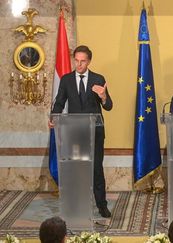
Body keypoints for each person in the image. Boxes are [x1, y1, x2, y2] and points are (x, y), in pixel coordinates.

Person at [49, 45, 113, 218]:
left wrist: (103, 96)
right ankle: (77, 205)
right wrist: (54, 117)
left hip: (95, 133)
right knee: (76, 170)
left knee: (96, 170)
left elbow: (108, 106)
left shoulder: (98, 78)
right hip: (74, 132)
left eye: (82, 61)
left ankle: (102, 206)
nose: (79, 64)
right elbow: (60, 102)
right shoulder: (66, 79)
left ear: (89, 61)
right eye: (76, 60)